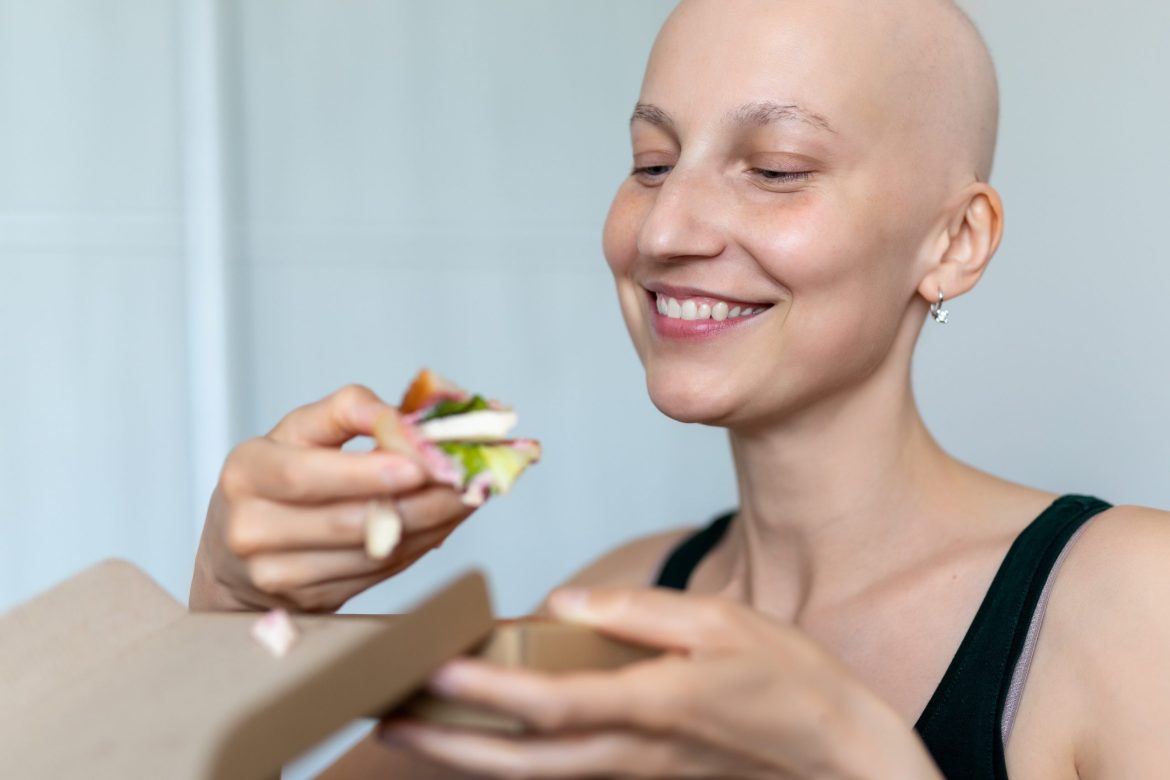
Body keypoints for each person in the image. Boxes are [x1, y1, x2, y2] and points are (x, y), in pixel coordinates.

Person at [190, 0, 1170, 776]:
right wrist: (227, 612)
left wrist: (847, 748)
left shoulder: (1130, 601)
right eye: (652, 163)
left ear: (954, 243)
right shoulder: (615, 604)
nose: (663, 233)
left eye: (775, 169)